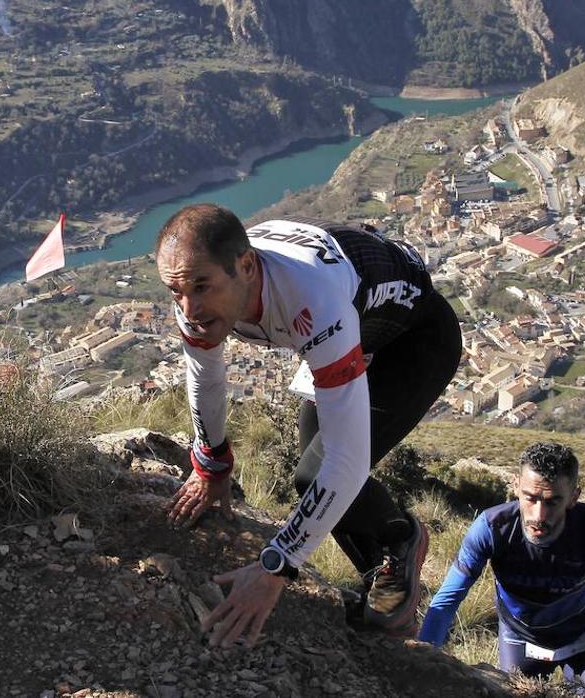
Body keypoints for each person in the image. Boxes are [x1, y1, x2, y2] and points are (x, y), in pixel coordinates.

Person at [155, 204, 462, 647]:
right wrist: (211, 463)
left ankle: (402, 543)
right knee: (313, 475)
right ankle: (386, 582)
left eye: (202, 288)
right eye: (175, 292)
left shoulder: (311, 297)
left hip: (414, 340)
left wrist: (276, 566)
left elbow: (348, 462)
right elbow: (206, 376)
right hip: (359, 328)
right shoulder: (197, 285)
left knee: (320, 473)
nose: (191, 309)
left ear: (245, 266)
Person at [419, 442, 585, 698]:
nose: (539, 515)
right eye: (530, 498)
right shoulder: (492, 528)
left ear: (574, 496)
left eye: (553, 501)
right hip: (520, 637)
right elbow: (446, 601)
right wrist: (425, 661)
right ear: (516, 486)